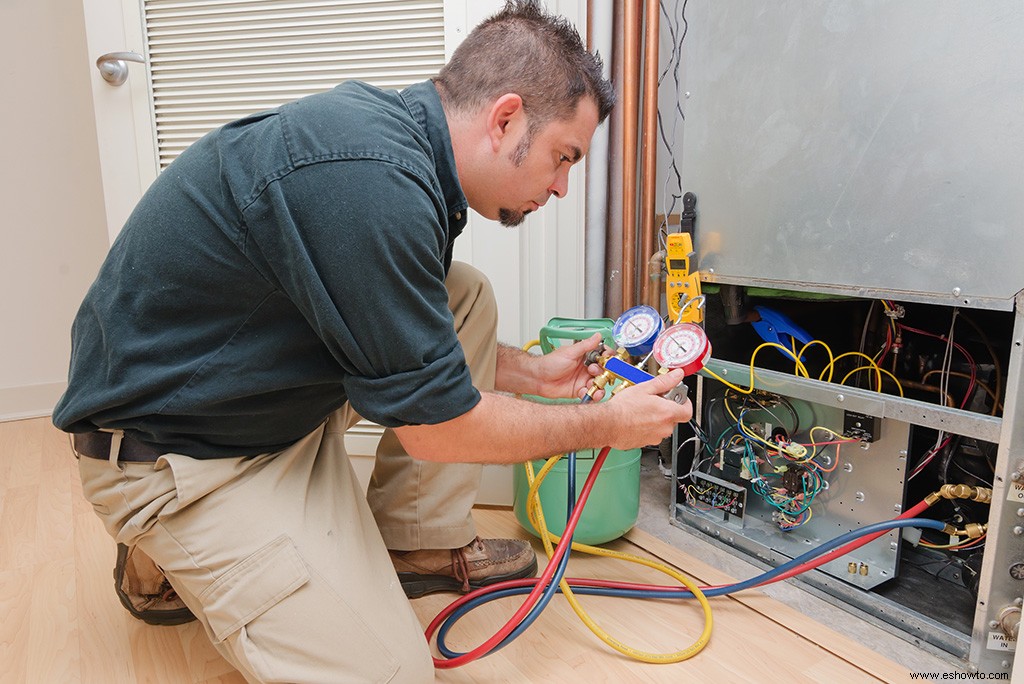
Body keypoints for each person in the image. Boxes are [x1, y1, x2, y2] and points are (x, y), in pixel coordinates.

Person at [53, 1, 692, 681]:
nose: (562, 187)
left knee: (464, 294)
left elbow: (395, 331)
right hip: (175, 454)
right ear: (505, 118)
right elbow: (438, 430)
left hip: (247, 397)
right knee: (389, 672)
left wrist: (530, 374)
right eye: (562, 158)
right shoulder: (371, 187)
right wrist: (607, 424)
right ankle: (166, 546)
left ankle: (413, 542)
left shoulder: (396, 151)